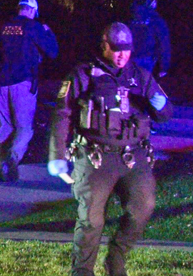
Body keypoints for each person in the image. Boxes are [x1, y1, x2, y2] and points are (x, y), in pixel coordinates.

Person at [47, 22, 173, 276]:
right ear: (104, 46)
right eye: (116, 49)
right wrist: (57, 157)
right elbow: (62, 114)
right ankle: (82, 270)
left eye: (127, 50)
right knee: (91, 220)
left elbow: (165, 114)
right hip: (95, 157)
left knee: (142, 208)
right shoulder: (83, 75)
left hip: (132, 157)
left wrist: (157, 100)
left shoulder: (139, 75)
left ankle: (116, 258)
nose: (122, 55)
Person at [0, 0, 59, 182]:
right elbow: (52, 51)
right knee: (25, 128)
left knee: (5, 127)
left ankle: (1, 169)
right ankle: (10, 160)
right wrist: (48, 33)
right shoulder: (32, 26)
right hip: (23, 83)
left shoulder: (4, 27)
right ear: (32, 11)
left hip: (2, 84)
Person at [128, 0, 171, 78]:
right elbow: (164, 44)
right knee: (143, 88)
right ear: (152, 3)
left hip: (128, 59)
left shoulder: (130, 18)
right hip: (146, 61)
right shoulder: (156, 21)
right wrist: (164, 66)